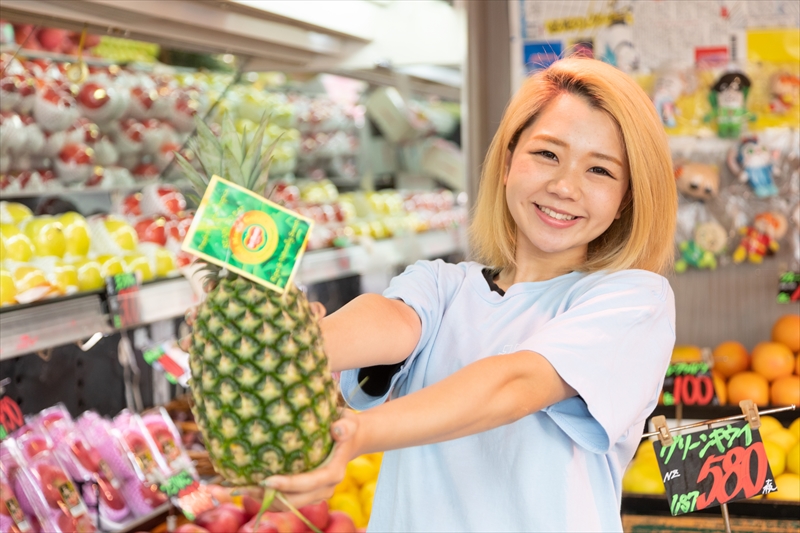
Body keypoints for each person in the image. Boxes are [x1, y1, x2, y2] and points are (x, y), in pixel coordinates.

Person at [267, 57, 677, 532]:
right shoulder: (442, 285)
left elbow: (518, 384)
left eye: (600, 171)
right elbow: (390, 321)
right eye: (547, 154)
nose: (565, 187)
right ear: (507, 163)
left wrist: (358, 433)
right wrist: (273, 338)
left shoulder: (634, 301)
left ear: (626, 196)